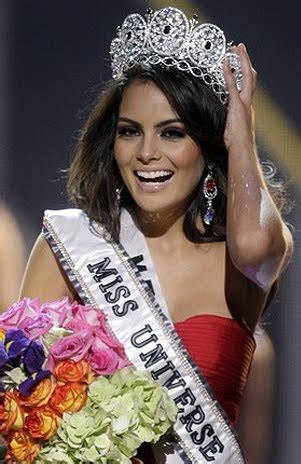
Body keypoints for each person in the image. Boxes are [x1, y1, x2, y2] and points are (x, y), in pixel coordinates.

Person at [19, 7, 293, 463]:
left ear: (207, 147)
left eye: (172, 133)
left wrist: (241, 136)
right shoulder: (70, 246)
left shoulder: (238, 262)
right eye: (130, 132)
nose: (147, 153)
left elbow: (255, 245)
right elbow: (20, 404)